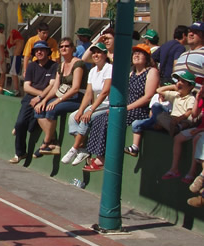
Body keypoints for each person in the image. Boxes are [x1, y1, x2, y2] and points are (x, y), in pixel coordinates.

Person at [82, 43, 159, 172]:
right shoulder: (131, 73)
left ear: (147, 57)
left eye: (140, 53)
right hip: (126, 108)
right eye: (135, 53)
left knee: (109, 120)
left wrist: (126, 108)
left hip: (139, 110)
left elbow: (148, 97)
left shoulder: (152, 72)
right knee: (100, 118)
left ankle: (102, 160)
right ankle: (97, 155)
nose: (136, 55)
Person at [124, 70, 196, 159]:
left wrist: (178, 119)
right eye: (178, 81)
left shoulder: (191, 98)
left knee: (180, 121)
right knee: (140, 121)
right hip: (170, 121)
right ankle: (136, 146)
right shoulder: (176, 94)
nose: (179, 83)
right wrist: (173, 86)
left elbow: (190, 112)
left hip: (181, 121)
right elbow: (159, 90)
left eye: (183, 81)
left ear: (191, 86)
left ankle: (172, 127)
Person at [61, 42, 111, 166]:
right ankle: (82, 149)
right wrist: (81, 110)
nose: (96, 55)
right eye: (94, 52)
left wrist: (90, 110)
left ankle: (74, 148)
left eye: (99, 52)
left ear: (105, 55)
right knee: (73, 117)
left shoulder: (109, 68)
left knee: (85, 119)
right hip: (96, 105)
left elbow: (105, 92)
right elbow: (89, 93)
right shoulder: (93, 71)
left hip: (108, 104)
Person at [34, 37, 87, 154]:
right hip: (63, 96)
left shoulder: (78, 64)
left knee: (52, 110)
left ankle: (46, 142)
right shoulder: (61, 65)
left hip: (78, 97)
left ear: (72, 48)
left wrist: (57, 101)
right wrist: (44, 99)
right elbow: (55, 87)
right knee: (39, 109)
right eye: (61, 46)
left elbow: (75, 88)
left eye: (67, 46)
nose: (64, 48)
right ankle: (53, 141)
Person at [10, 40, 58, 164]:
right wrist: (38, 95)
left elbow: (52, 86)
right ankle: (20, 153)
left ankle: (48, 143)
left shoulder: (54, 66)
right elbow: (26, 87)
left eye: (42, 50)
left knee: (33, 124)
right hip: (30, 98)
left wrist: (41, 98)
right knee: (21, 123)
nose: (39, 52)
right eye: (37, 50)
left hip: (46, 98)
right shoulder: (31, 66)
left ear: (48, 52)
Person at [166, 82, 204, 185]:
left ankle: (192, 172)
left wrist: (199, 130)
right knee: (178, 138)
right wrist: (198, 99)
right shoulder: (201, 99)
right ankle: (174, 169)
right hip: (199, 128)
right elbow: (195, 114)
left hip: (200, 131)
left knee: (196, 138)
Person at [7, 28, 25, 95]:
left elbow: (11, 42)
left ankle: (16, 89)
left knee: (14, 73)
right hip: (17, 57)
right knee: (14, 73)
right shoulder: (21, 39)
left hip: (15, 57)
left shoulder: (18, 39)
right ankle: (16, 88)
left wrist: (11, 35)